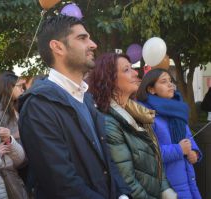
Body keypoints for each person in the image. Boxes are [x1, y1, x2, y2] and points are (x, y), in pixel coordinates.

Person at [18, 15, 123, 199]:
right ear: (58, 47)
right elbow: (61, 184)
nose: (93, 44)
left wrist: (122, 194)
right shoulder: (38, 106)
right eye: (82, 38)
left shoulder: (87, 98)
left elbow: (106, 160)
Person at [88, 53, 174, 198]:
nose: (135, 73)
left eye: (132, 68)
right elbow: (127, 182)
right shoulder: (108, 122)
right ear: (110, 79)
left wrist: (166, 189)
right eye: (126, 70)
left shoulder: (138, 114)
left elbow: (155, 158)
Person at [137, 68, 202, 198]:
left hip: (188, 181)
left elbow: (188, 138)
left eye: (171, 81)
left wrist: (195, 152)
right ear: (151, 89)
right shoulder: (145, 114)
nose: (170, 84)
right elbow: (146, 153)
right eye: (164, 81)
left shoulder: (177, 110)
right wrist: (179, 149)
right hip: (166, 188)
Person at [0, 72, 24, 141]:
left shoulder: (16, 105)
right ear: (9, 87)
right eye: (19, 86)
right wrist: (14, 136)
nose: (22, 89)